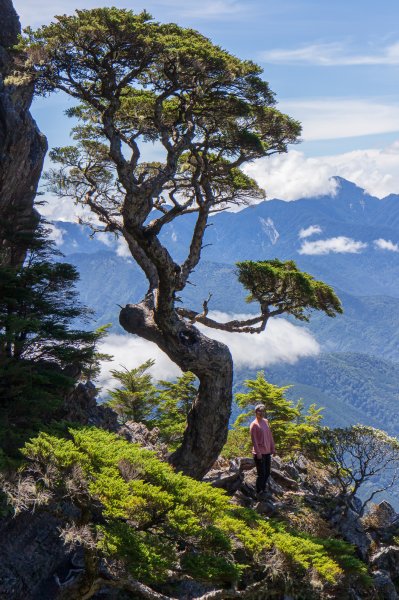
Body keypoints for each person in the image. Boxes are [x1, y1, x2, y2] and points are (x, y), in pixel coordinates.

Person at [250, 403, 275, 497]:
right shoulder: (254, 425)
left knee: (267, 472)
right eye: (259, 411)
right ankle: (258, 491)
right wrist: (258, 452)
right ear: (256, 412)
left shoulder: (266, 421)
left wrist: (273, 448)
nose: (261, 413)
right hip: (259, 453)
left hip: (267, 451)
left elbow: (270, 436)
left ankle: (263, 489)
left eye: (263, 411)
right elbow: (254, 440)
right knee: (261, 474)